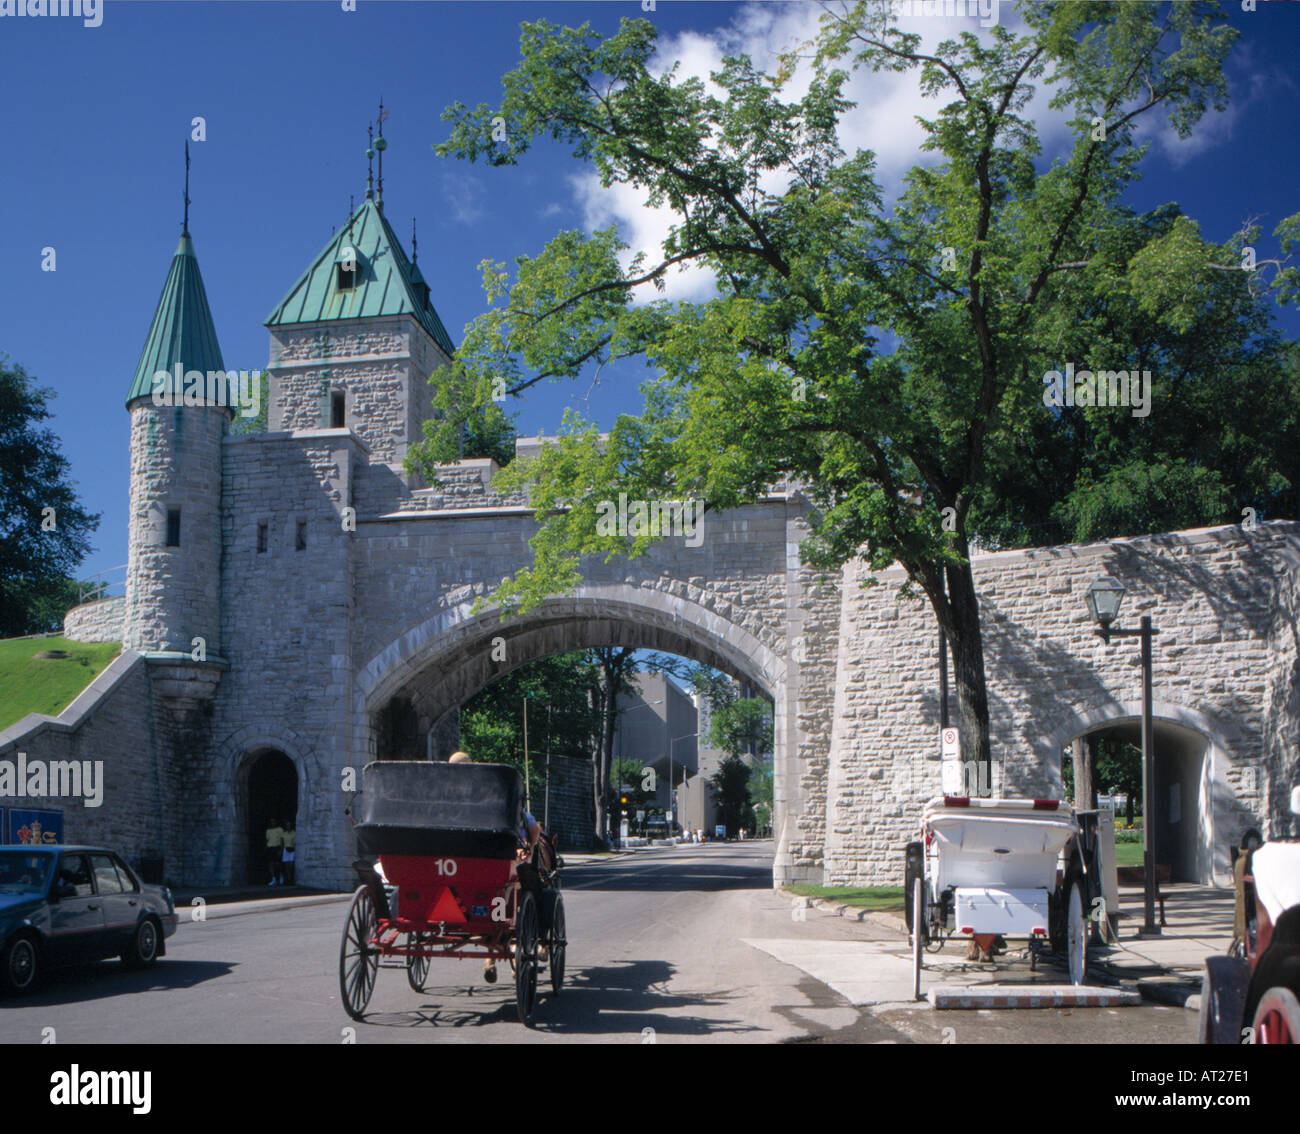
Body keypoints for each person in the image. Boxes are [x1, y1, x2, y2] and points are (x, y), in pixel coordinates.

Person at [265, 817, 285, 886]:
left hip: (277, 847)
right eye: (271, 822)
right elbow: (267, 840)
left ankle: (281, 876)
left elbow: (282, 840)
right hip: (270, 847)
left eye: (274, 821)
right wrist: (266, 848)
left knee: (278, 864)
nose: (273, 823)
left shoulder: (280, 829)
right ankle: (273, 879)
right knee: (270, 864)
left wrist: (281, 850)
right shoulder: (268, 830)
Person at [282, 820, 296, 887]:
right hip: (286, 849)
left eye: (289, 825)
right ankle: (288, 879)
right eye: (287, 826)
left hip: (292, 850)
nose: (288, 827)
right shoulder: (284, 834)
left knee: (291, 865)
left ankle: (291, 879)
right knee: (286, 866)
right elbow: (282, 842)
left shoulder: (294, 833)